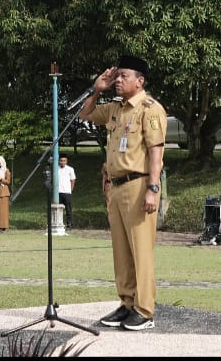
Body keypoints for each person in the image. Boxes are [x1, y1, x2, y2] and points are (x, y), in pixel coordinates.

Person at [79, 54, 167, 332]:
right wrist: (96, 89)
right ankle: (127, 303)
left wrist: (153, 188)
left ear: (139, 81)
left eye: (123, 76)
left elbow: (156, 153)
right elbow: (85, 114)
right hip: (116, 187)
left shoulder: (149, 109)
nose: (118, 80)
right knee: (121, 251)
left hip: (139, 185)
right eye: (116, 76)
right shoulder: (116, 108)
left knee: (140, 250)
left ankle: (144, 309)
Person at [57, 155, 76, 229]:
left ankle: (69, 224)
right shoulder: (56, 169)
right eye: (61, 160)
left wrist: (71, 189)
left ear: (66, 161)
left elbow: (73, 180)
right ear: (59, 161)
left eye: (64, 161)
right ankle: (58, 224)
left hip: (67, 192)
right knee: (58, 209)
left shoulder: (70, 169)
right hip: (58, 192)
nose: (62, 162)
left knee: (68, 209)